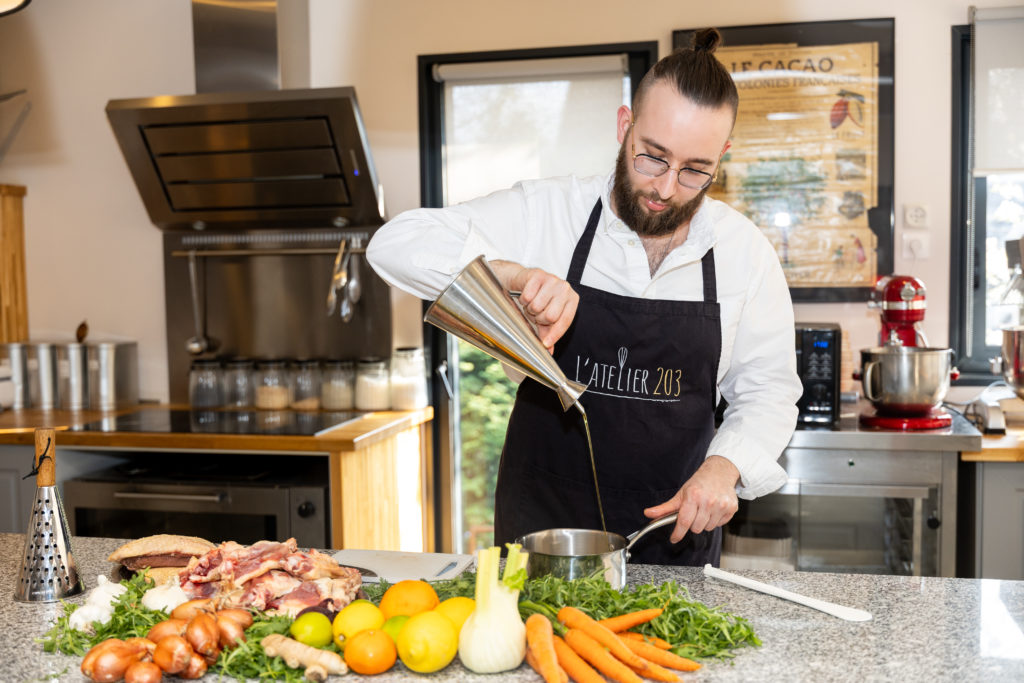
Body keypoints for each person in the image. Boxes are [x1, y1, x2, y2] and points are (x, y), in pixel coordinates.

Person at [367, 28, 802, 566]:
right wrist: (508, 275)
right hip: (544, 538)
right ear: (625, 127)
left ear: (723, 157)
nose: (666, 188)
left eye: (695, 170)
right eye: (652, 158)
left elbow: (769, 391)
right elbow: (393, 244)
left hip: (672, 542)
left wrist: (726, 467)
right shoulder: (549, 211)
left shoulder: (744, 252)